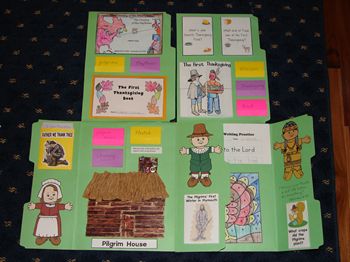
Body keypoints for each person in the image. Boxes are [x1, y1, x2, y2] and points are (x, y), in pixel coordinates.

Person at [28, 179, 72, 245]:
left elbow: (62, 206)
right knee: (42, 229)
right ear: (42, 196)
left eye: (54, 194)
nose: (51, 197)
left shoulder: (57, 205)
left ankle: (53, 237)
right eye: (47, 195)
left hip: (54, 220)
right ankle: (42, 237)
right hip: (43, 220)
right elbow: (37, 205)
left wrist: (66, 206)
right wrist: (33, 206)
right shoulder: (42, 205)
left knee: (53, 229)